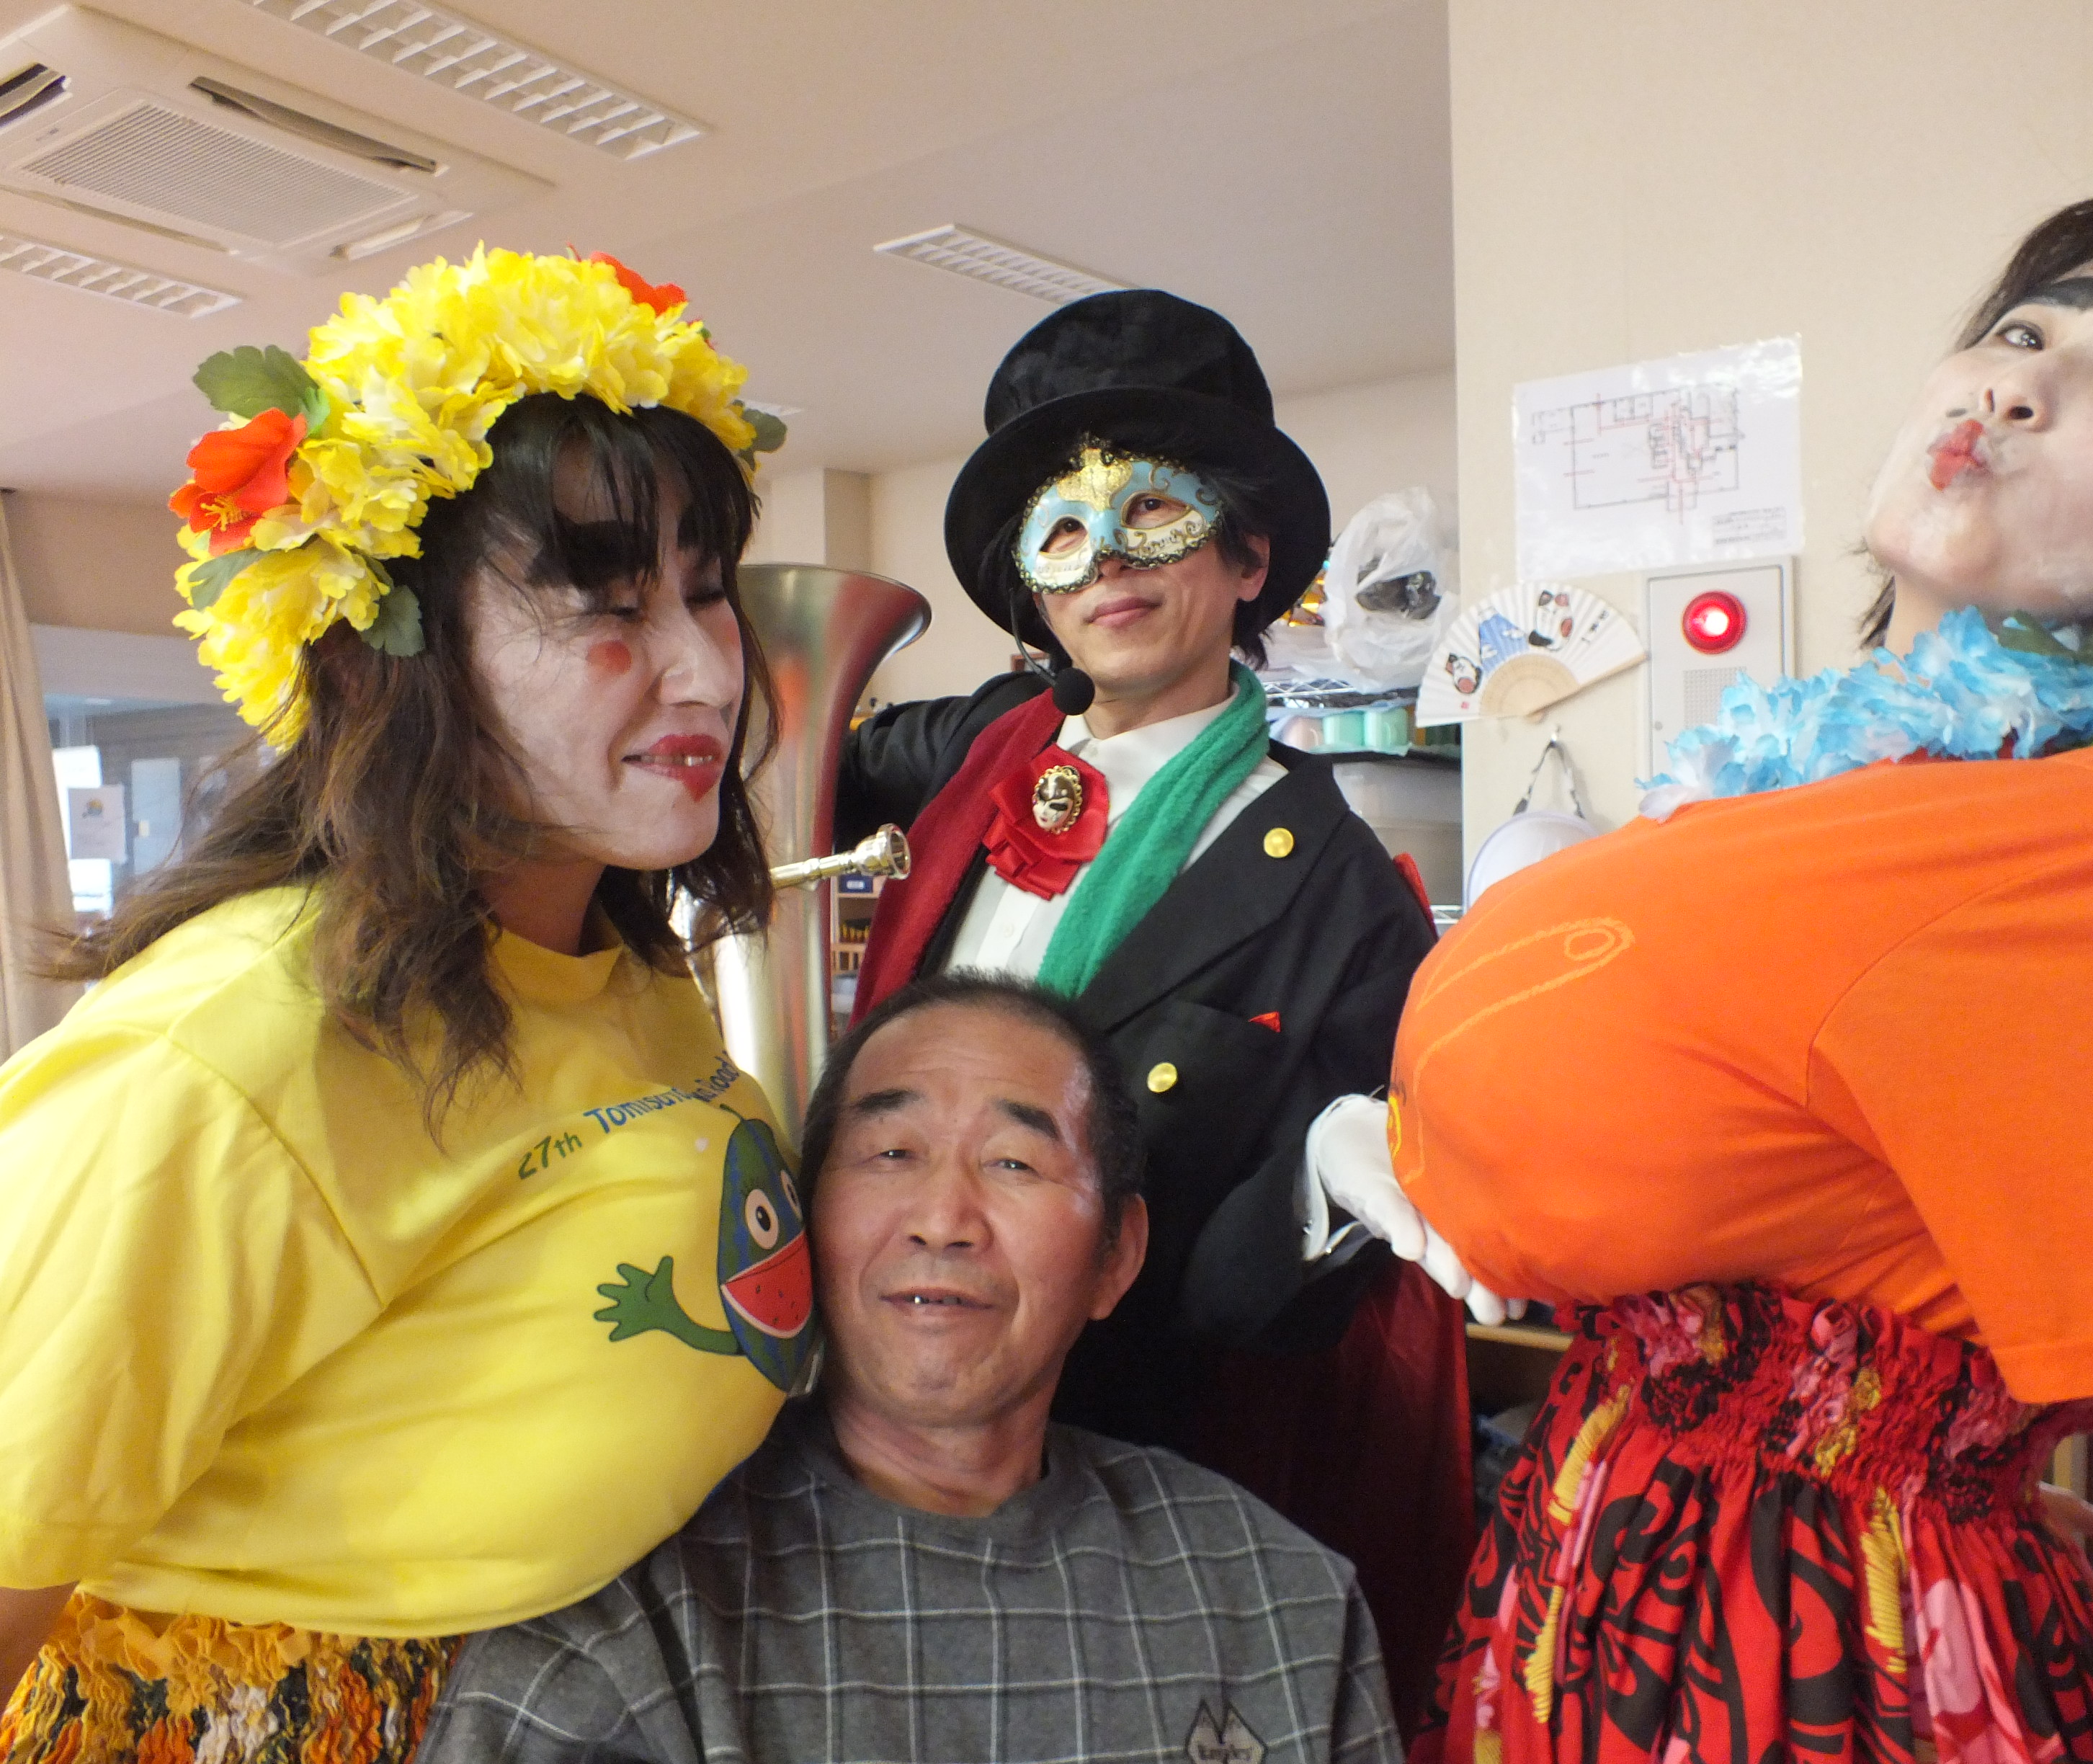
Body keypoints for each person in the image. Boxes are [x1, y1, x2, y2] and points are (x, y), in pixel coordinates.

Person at [1328, 191, 2093, 1763]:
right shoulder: (1794, 780)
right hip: (1586, 1571)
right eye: (2022, 329)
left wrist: (1913, 1467)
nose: (2021, 382)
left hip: (1805, 1652)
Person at [0, 248, 807, 1760]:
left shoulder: (619, 952)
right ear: (386, 664)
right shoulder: (227, 1058)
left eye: (708, 594)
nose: (709, 672)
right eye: (610, 604)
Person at [834, 289, 1476, 1703]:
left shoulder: (1340, 892)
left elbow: (1274, 1318)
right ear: (1035, 590)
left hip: (1126, 1503)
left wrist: (1320, 1175)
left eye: (1159, 513)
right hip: (859, 1437)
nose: (1111, 560)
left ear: (1249, 557)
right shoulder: (976, 756)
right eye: (1065, 534)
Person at [418, 974, 1403, 1764]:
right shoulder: (630, 1621)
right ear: (800, 1216)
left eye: (1015, 1164)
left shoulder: (1280, 1603)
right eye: (891, 1152)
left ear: (1117, 1255)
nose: (942, 1220)